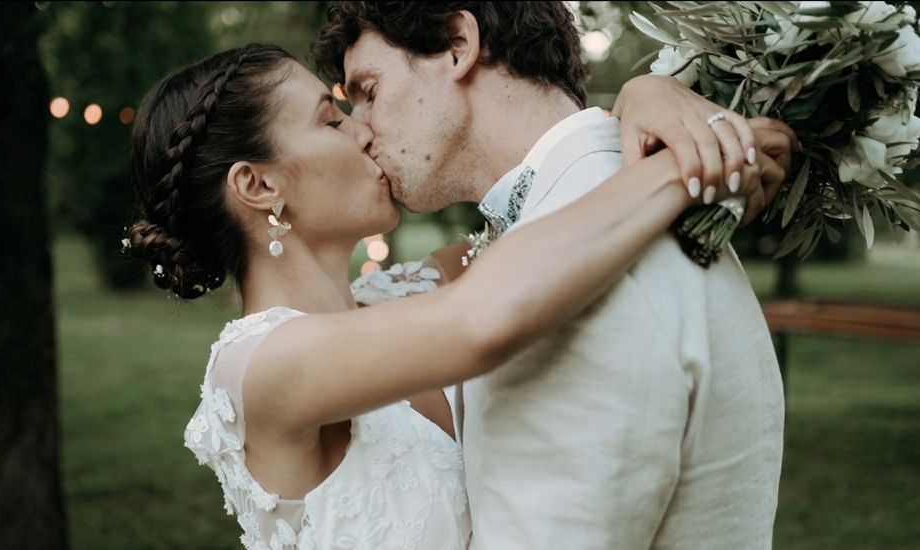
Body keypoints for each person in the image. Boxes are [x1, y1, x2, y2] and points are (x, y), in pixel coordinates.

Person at [122, 39, 789, 549]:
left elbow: (541, 217)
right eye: (331, 120)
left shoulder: (397, 296)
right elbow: (481, 321)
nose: (364, 129)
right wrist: (690, 167)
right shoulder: (256, 367)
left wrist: (643, 99)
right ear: (260, 186)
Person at [312, 2, 796, 548]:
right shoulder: (608, 205)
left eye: (370, 91)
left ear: (457, 45)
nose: (362, 131)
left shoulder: (588, 264)